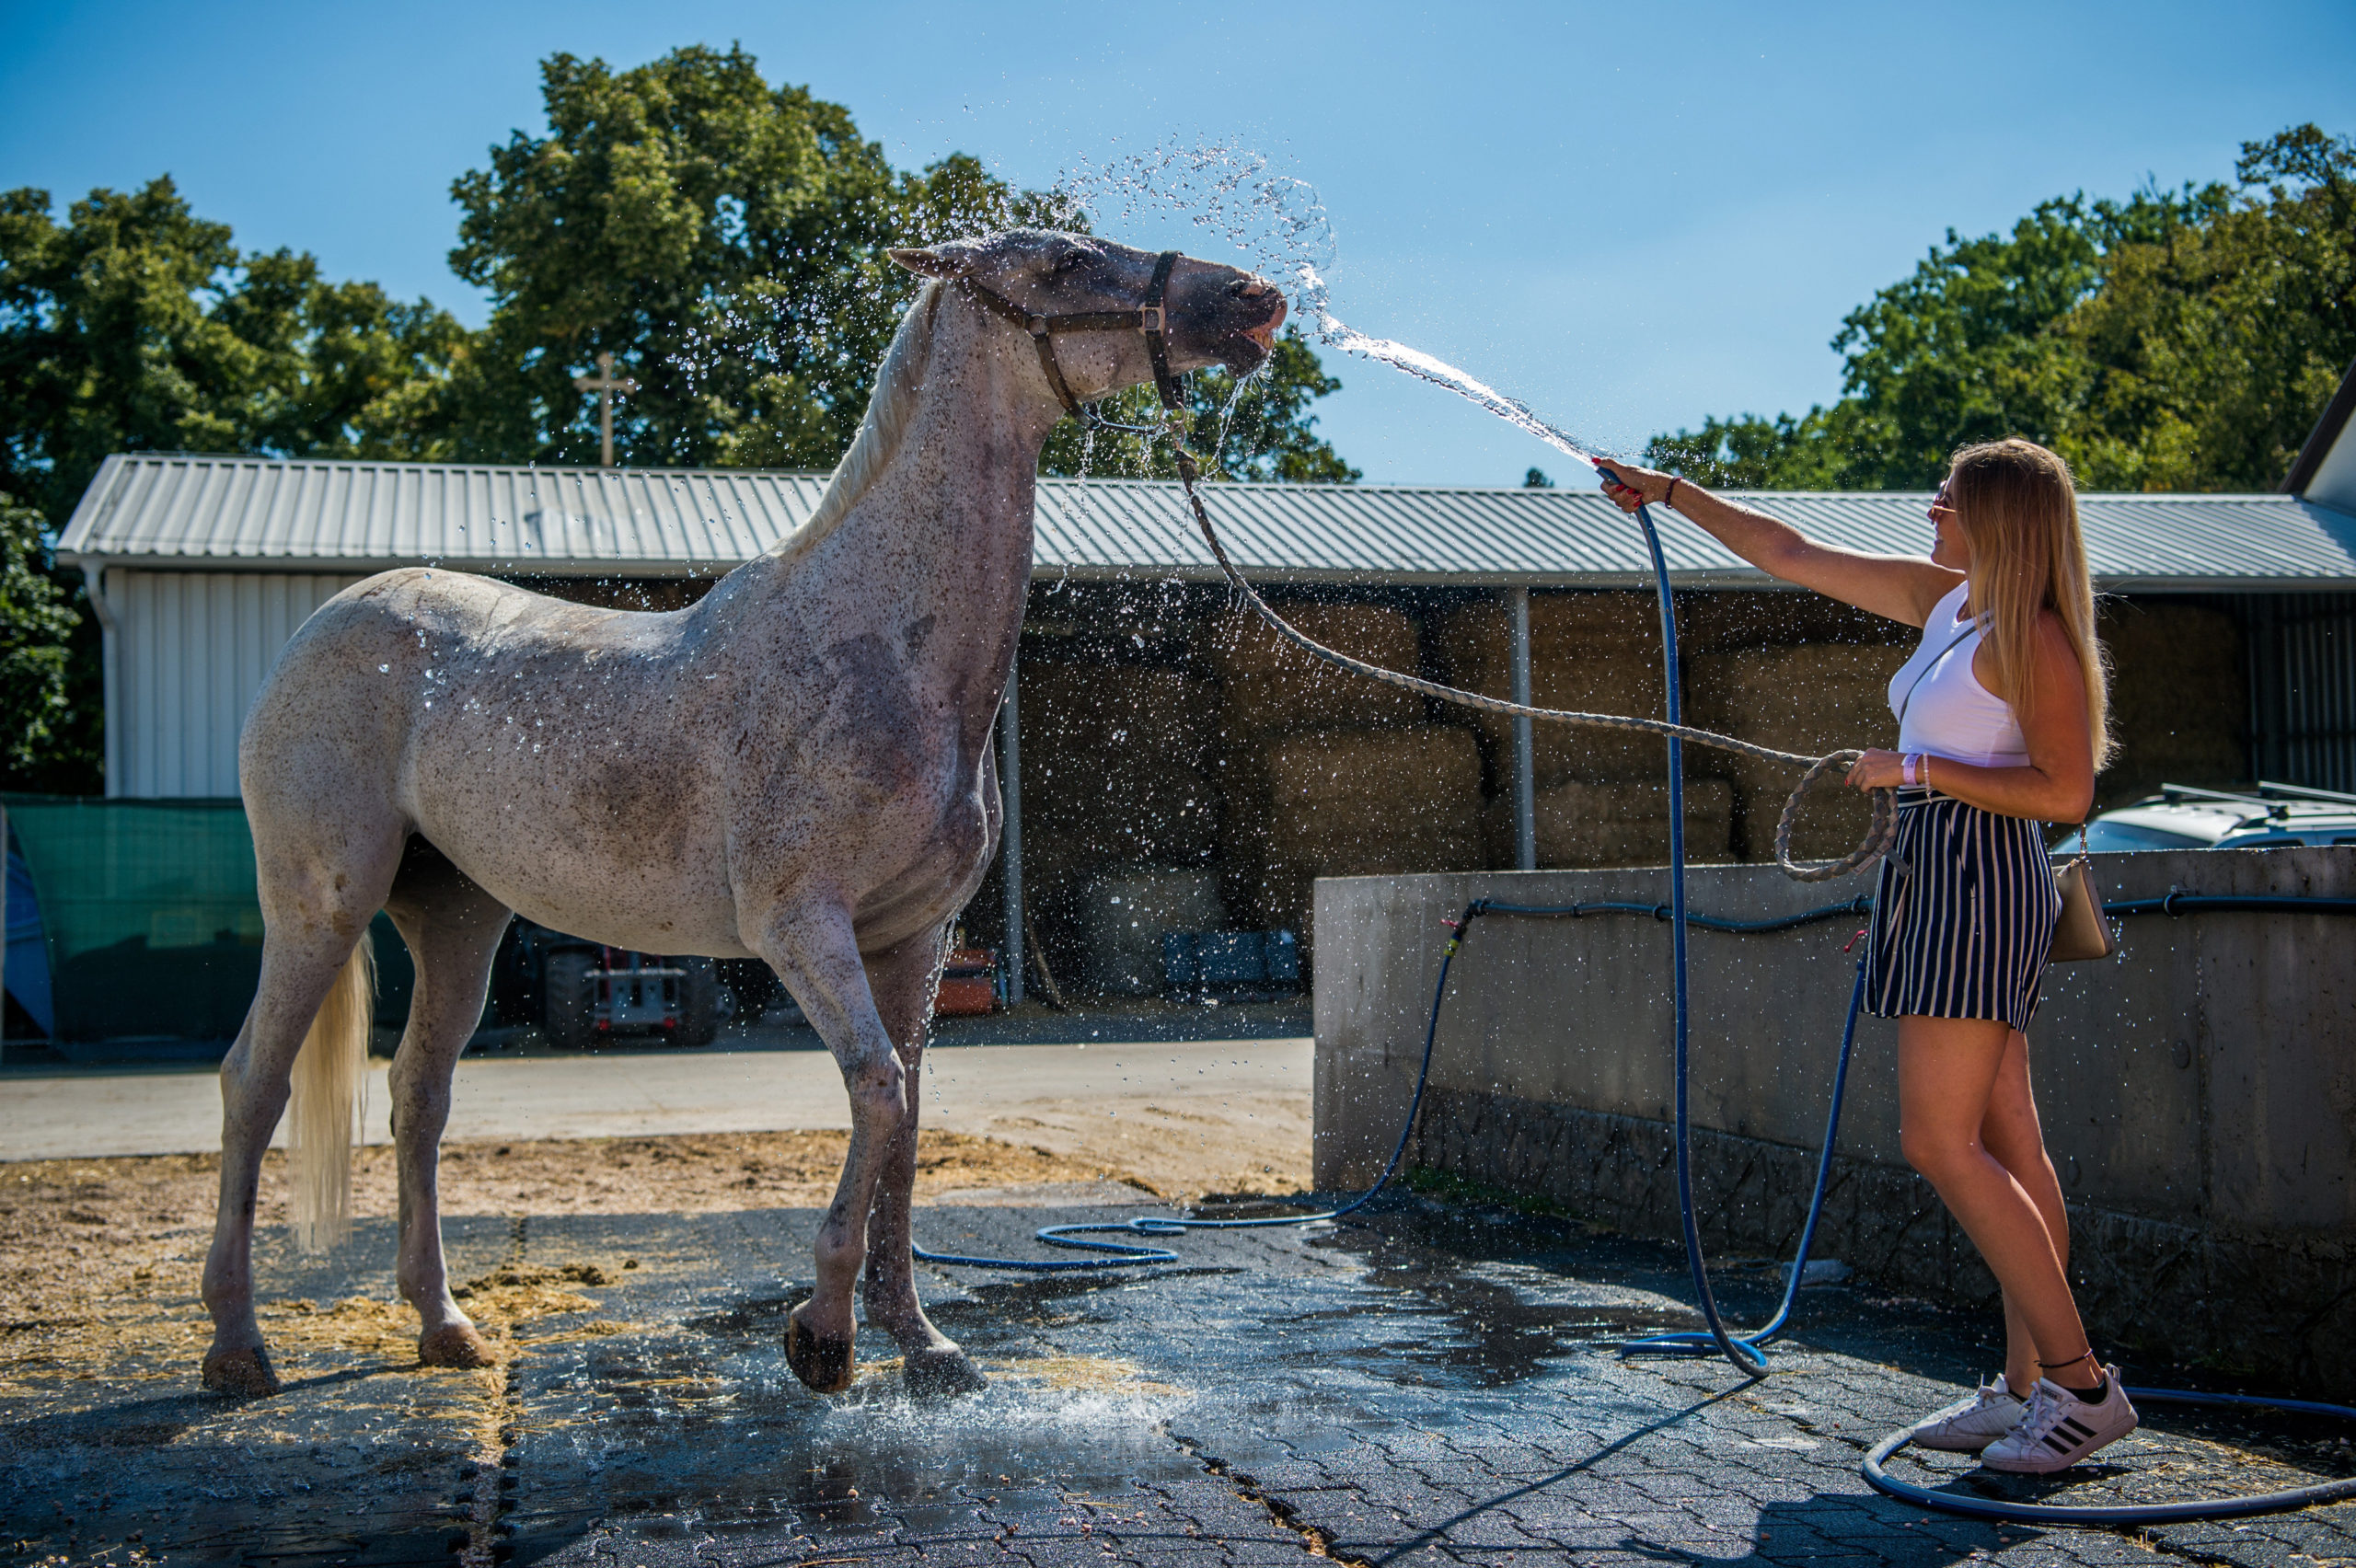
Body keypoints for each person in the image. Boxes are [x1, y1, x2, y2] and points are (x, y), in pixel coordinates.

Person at [1599, 437, 2138, 1473]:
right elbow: (1790, 552)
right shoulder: (1951, 606)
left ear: (1997, 518)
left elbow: (2066, 793)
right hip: (1940, 870)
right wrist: (1670, 492)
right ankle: (2024, 1387)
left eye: (1948, 498)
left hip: (1979, 876)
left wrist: (1913, 767)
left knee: (1939, 1142)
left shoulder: (2031, 635)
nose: (1931, 509)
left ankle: (2081, 1388)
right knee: (2011, 1142)